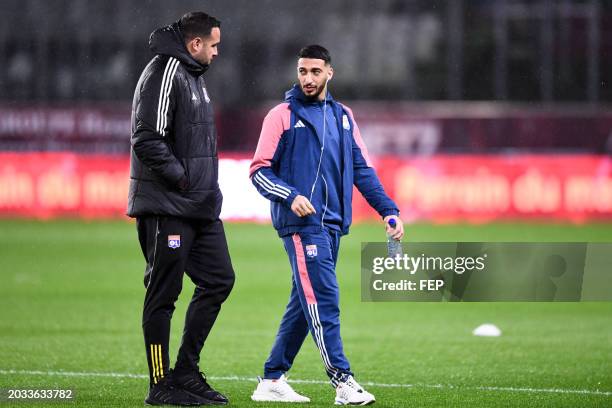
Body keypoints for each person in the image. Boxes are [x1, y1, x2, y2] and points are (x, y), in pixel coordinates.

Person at [248, 45, 404, 405]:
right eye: (302, 71)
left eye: (315, 72)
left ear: (329, 73)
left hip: (333, 226)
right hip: (302, 224)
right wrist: (289, 195)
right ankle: (342, 381)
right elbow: (259, 171)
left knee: (304, 303)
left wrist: (388, 210)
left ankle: (271, 379)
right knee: (325, 299)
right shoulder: (281, 115)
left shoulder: (343, 117)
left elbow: (362, 169)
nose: (307, 78)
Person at [127, 11, 235, 406]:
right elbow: (145, 137)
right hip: (168, 205)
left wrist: (203, 189)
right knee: (164, 292)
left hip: (199, 207)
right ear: (196, 44)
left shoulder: (191, 77)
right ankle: (160, 384)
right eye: (214, 45)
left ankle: (186, 371)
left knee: (219, 279)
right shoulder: (165, 72)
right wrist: (183, 178)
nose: (217, 52)